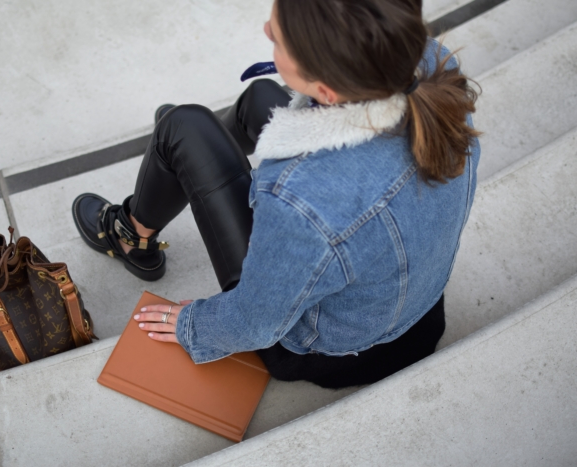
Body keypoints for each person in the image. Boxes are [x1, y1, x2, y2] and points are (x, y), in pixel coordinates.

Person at [72, 0, 480, 389]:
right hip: (414, 311)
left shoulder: (300, 200)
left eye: (279, 40)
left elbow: (255, 323)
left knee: (182, 125)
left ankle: (132, 235)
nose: (266, 29)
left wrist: (192, 325)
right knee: (260, 98)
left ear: (327, 90)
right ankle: (190, 158)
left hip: (331, 349)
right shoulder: (431, 67)